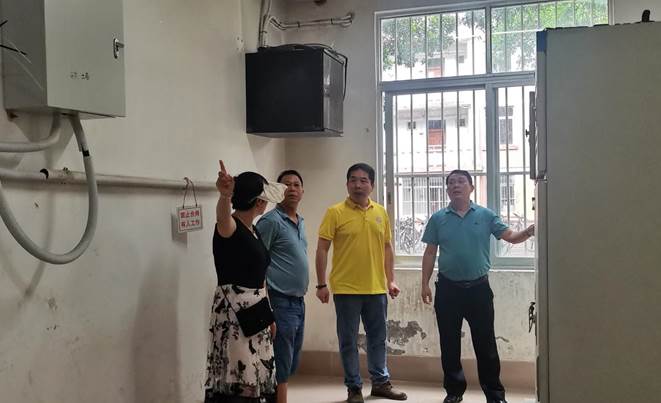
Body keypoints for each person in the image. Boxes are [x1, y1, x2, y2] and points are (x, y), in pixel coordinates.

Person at [420, 169, 535, 403]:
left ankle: (495, 395)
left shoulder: (485, 215)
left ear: (471, 188)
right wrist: (424, 284)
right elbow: (430, 253)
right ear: (447, 189)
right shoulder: (438, 218)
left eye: (461, 181)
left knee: (486, 344)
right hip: (448, 290)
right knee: (449, 343)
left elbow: (510, 237)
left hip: (479, 290)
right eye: (451, 183)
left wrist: (529, 231)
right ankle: (454, 392)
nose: (456, 185)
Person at [315, 163, 408, 403]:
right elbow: (322, 249)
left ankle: (380, 383)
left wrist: (391, 280)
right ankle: (354, 388)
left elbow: (387, 248)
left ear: (372, 185)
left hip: (376, 288)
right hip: (346, 289)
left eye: (363, 180)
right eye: (353, 180)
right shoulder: (335, 212)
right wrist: (321, 284)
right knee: (348, 341)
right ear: (347, 184)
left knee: (378, 339)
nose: (358, 185)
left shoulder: (381, 212)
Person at [205, 160, 285, 403]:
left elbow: (260, 277)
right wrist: (224, 196)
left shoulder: (254, 229)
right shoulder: (230, 227)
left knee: (258, 369)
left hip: (257, 311)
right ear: (259, 202)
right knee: (239, 372)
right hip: (234, 316)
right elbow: (222, 217)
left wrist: (269, 315)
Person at [255, 170, 309, 403]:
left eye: (297, 184)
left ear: (303, 191)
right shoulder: (270, 222)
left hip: (298, 301)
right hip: (279, 300)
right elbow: (257, 263)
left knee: (290, 362)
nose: (292, 189)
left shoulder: (300, 222)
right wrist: (265, 306)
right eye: (286, 185)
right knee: (281, 364)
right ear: (278, 191)